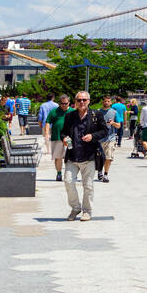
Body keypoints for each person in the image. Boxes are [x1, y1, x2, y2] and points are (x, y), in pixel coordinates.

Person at [60, 90, 108, 222]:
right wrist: (64, 138)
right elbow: (63, 132)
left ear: (89, 101)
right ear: (75, 102)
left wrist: (93, 136)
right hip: (72, 155)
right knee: (68, 182)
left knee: (88, 186)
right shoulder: (70, 116)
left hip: (89, 156)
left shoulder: (96, 115)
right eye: (79, 100)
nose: (81, 102)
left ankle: (87, 211)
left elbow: (105, 131)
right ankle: (75, 207)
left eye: (84, 100)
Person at [45, 94, 72, 181]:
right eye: (62, 103)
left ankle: (69, 173)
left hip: (69, 138)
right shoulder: (54, 111)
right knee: (58, 157)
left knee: (71, 156)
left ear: (69, 103)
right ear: (59, 103)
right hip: (56, 137)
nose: (64, 105)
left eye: (66, 103)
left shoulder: (73, 111)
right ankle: (59, 173)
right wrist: (46, 132)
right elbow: (48, 121)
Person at [99, 96, 119, 183]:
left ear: (111, 102)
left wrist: (112, 123)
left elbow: (118, 125)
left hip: (111, 138)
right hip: (99, 139)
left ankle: (106, 174)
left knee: (108, 157)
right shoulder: (98, 112)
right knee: (100, 158)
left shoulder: (114, 112)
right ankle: (100, 171)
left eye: (108, 101)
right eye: (105, 101)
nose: (106, 102)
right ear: (102, 102)